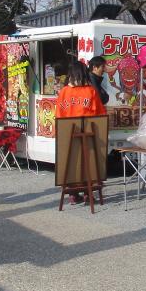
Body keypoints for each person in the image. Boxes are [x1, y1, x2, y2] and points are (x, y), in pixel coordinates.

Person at [56, 60, 107, 204]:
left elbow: (59, 115)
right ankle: (88, 193)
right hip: (88, 134)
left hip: (68, 136)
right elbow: (100, 114)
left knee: (72, 163)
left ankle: (73, 193)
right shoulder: (90, 91)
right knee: (88, 165)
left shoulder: (64, 91)